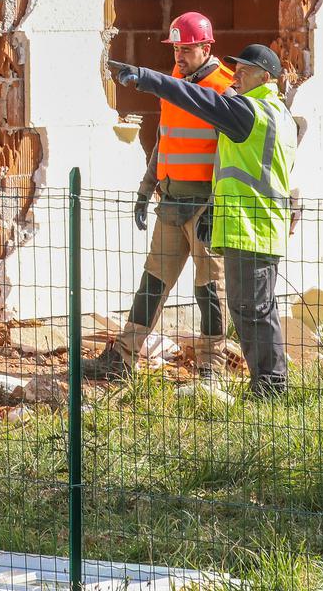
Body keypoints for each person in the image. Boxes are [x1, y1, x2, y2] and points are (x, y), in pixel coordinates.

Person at [108, 43, 298, 398]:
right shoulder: (278, 112)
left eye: (245, 70)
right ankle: (270, 386)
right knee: (254, 309)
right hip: (251, 225)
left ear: (266, 77)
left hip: (251, 227)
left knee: (251, 310)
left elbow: (198, 100)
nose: (237, 74)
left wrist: (148, 79)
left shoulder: (249, 112)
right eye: (236, 68)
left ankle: (270, 387)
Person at [84, 11, 235, 381]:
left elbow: (231, 158)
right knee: (153, 282)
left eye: (186, 49)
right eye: (176, 49)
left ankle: (211, 366)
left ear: (206, 46)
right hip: (170, 204)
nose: (179, 56)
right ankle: (121, 359)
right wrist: (145, 188)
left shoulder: (225, 90)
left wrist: (218, 204)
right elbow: (164, 142)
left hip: (205, 208)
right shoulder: (174, 82)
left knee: (209, 290)